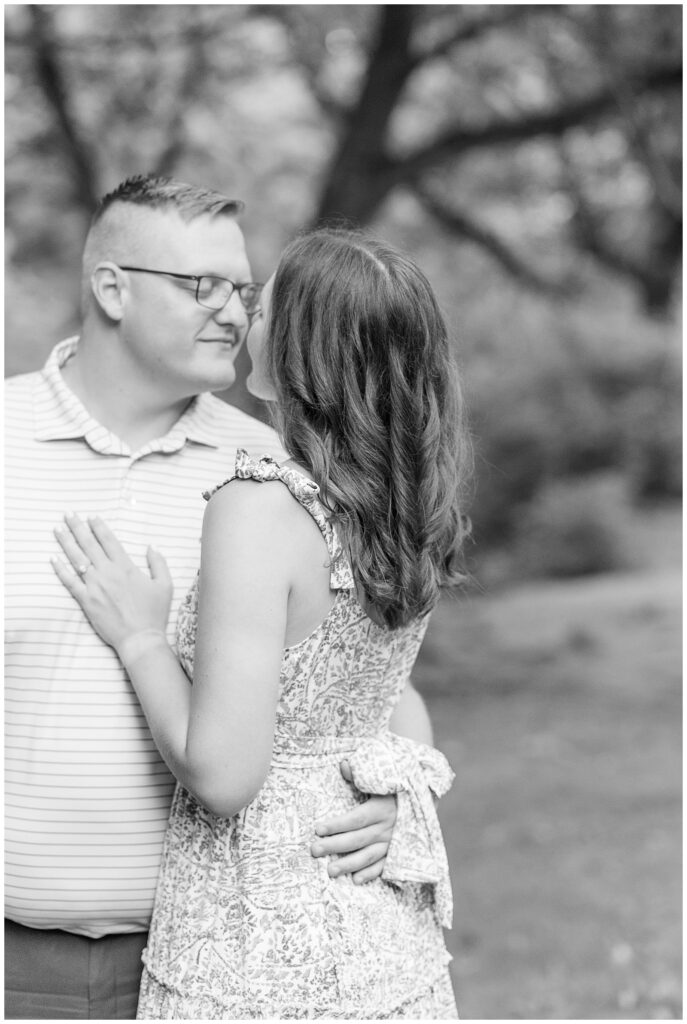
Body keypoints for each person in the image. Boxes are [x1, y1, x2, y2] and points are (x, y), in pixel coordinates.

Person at [5, 177, 434, 1020]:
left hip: (213, 959)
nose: (235, 314)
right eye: (202, 287)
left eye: (244, 292)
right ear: (111, 287)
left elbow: (375, 683)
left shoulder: (270, 466)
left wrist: (395, 792)